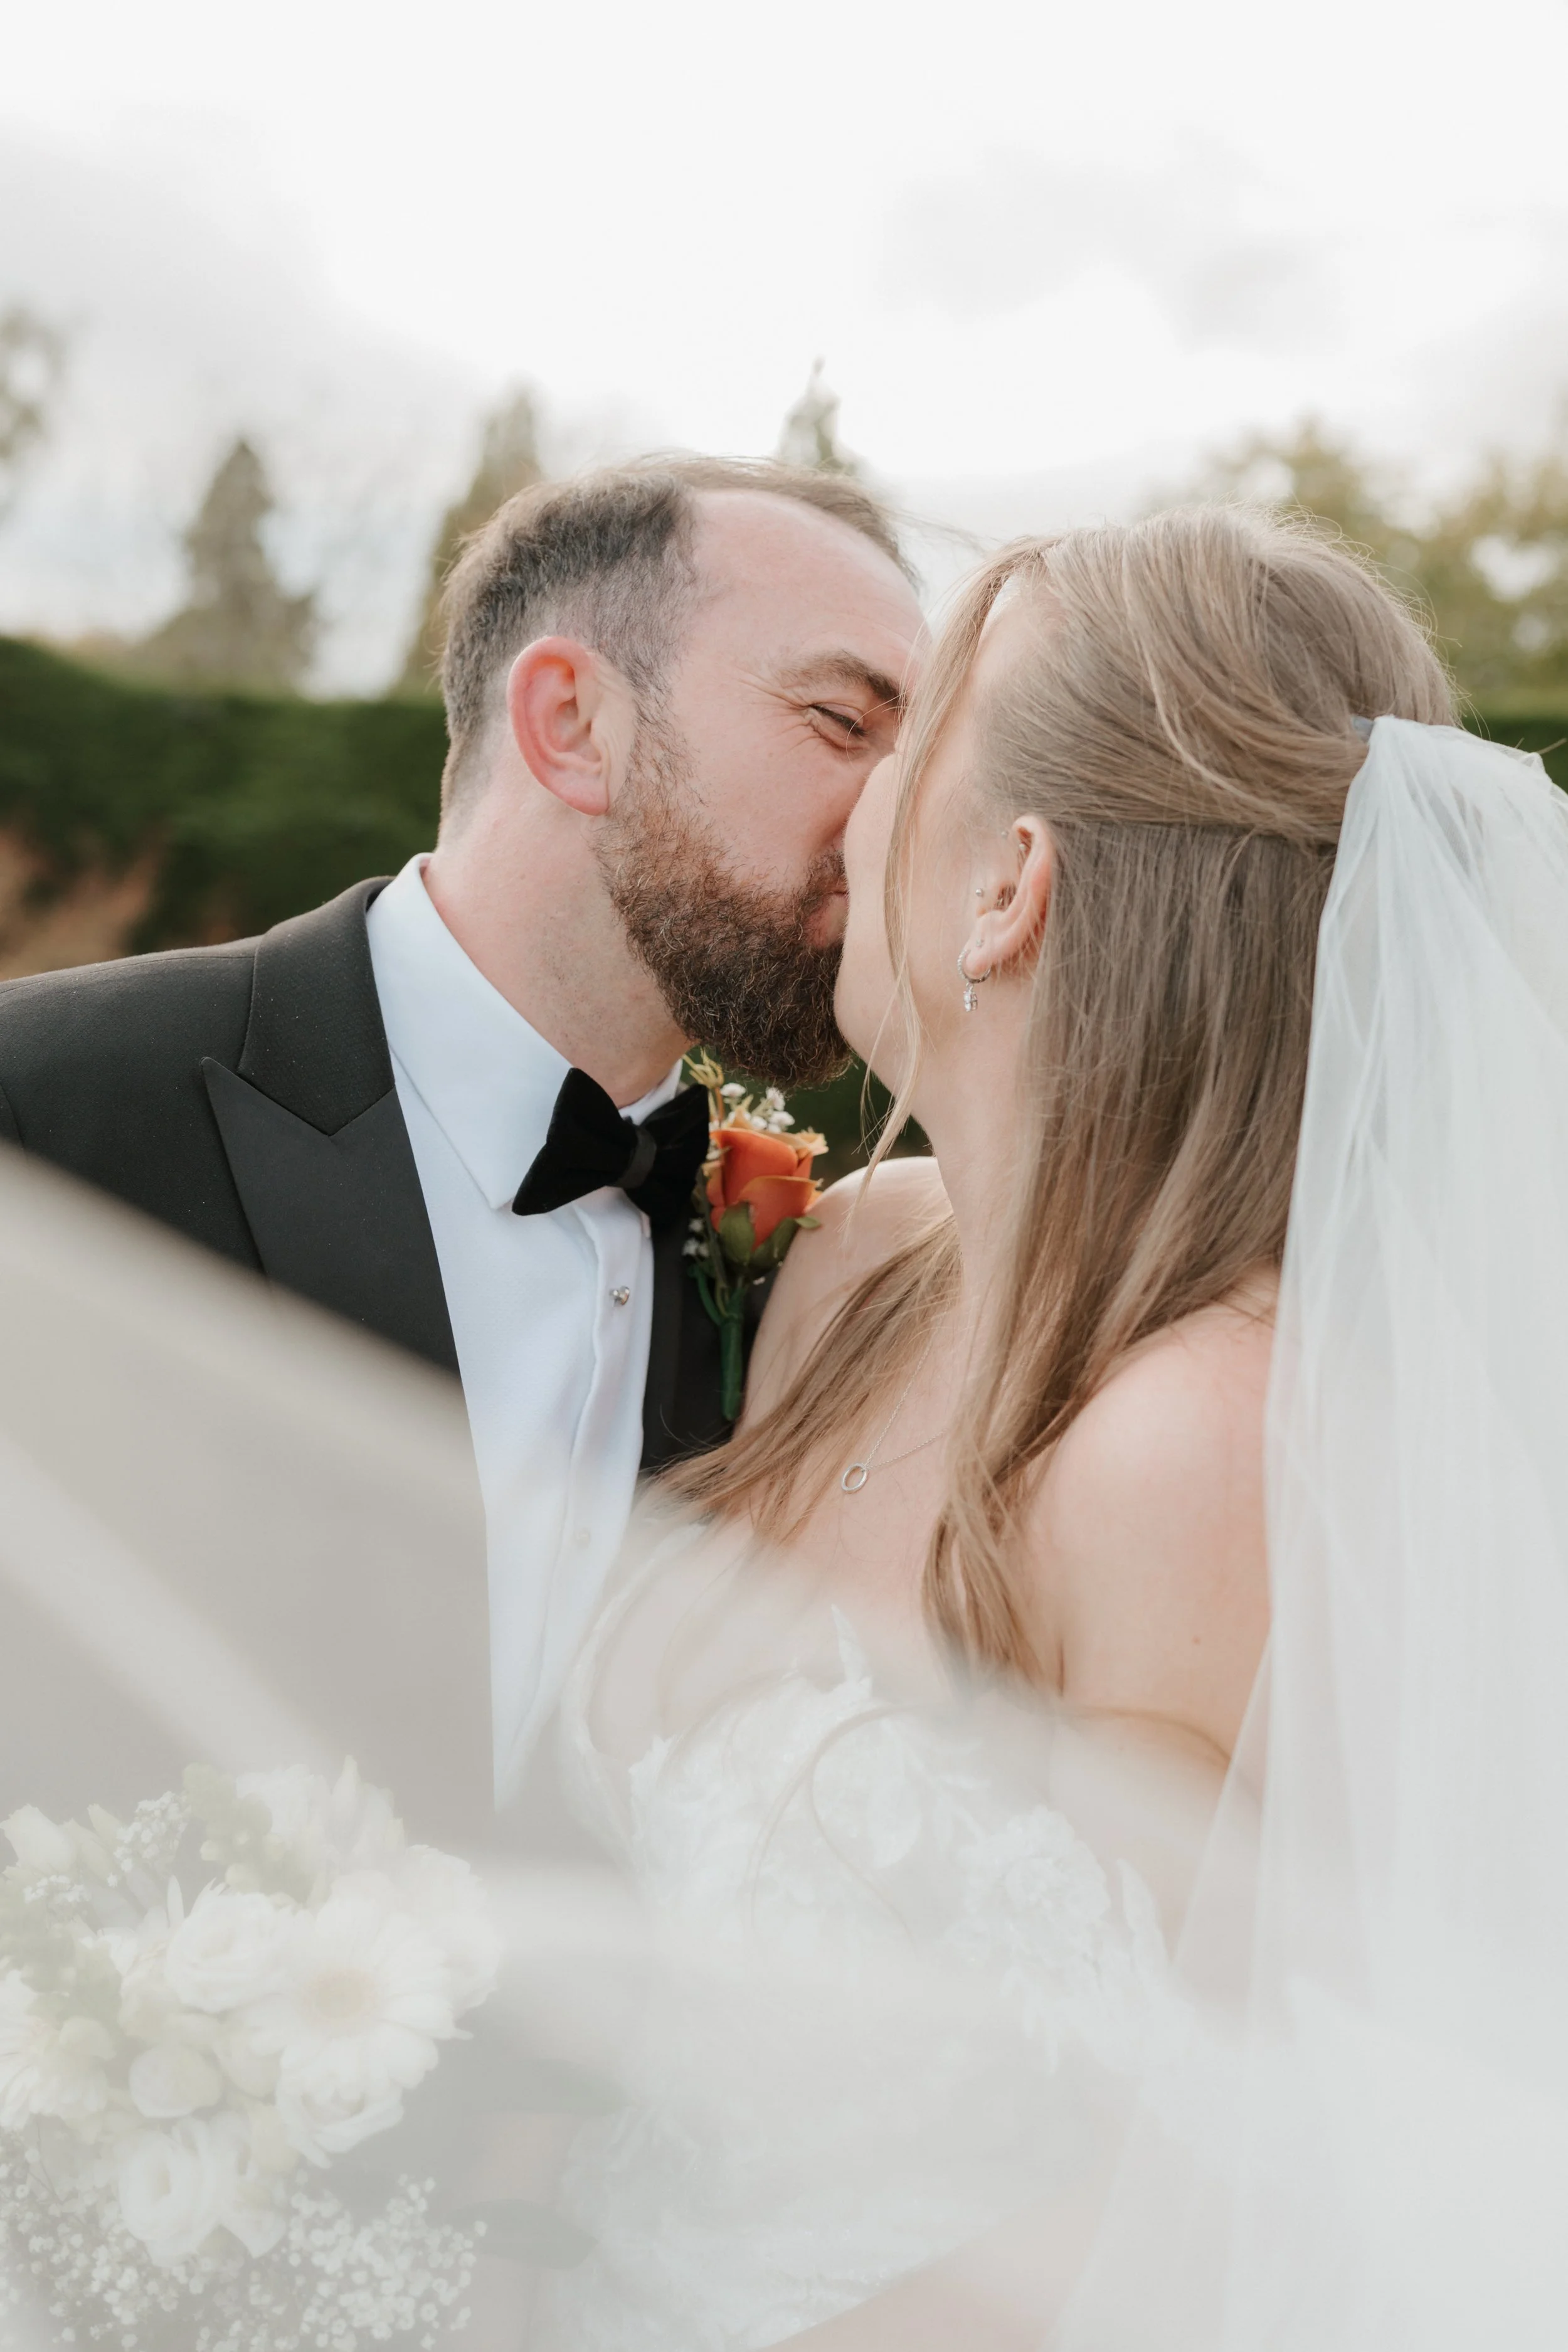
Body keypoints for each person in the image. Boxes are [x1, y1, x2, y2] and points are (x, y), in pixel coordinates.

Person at [536, 505, 1475, 2348]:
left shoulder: (1201, 1443)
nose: (855, 796)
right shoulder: (852, 1267)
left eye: (920, 726)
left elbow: (1265, 2169)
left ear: (1008, 883)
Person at [0, 457, 924, 1804]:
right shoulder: (49, 1111)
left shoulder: (797, 1271)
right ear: (571, 724)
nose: (898, 823)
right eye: (845, 724)